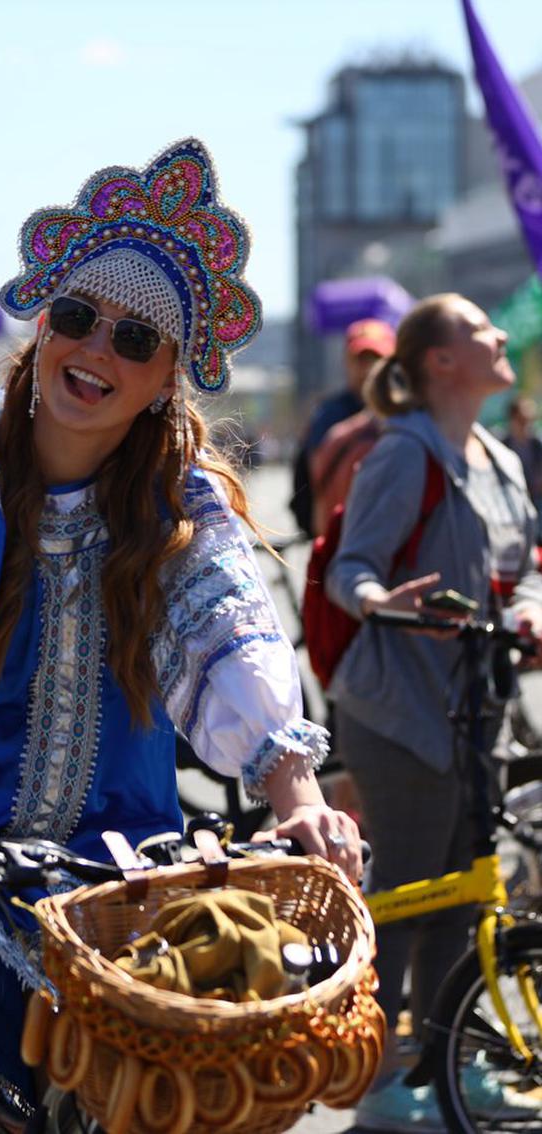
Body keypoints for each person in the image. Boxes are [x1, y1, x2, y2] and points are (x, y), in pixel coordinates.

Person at [0, 138, 362, 1134]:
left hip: (112, 843)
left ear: (166, 378)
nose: (96, 349)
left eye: (135, 340)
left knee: (219, 1029)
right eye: (76, 317)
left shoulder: (179, 502)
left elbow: (229, 637)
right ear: (41, 324)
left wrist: (299, 802)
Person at [326, 293, 542, 1132]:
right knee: (410, 894)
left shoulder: (496, 457)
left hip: (473, 708)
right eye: (481, 329)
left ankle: (443, 1058)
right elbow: (352, 569)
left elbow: (524, 565)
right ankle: (376, 1079)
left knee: (463, 895)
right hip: (398, 711)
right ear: (440, 361)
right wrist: (383, 599)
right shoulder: (402, 454)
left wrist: (526, 611)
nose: (499, 337)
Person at [289, 318, 396, 537]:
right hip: (339, 537)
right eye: (361, 359)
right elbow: (319, 476)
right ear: (347, 361)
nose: (369, 369)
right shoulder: (329, 415)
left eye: (377, 359)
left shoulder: (407, 413)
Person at [501, 395, 542, 540]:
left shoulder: (538, 445)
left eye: (530, 420)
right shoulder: (499, 447)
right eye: (522, 420)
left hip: (536, 502)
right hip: (508, 503)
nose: (527, 425)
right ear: (512, 419)